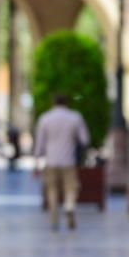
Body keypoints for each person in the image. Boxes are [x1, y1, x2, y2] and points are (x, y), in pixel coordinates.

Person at [33, 94, 89, 231]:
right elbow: (85, 140)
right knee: (71, 188)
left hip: (51, 161)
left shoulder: (45, 118)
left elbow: (39, 143)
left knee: (52, 190)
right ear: (67, 103)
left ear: (53, 103)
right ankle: (69, 206)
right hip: (68, 160)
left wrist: (36, 163)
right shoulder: (75, 117)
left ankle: (54, 219)